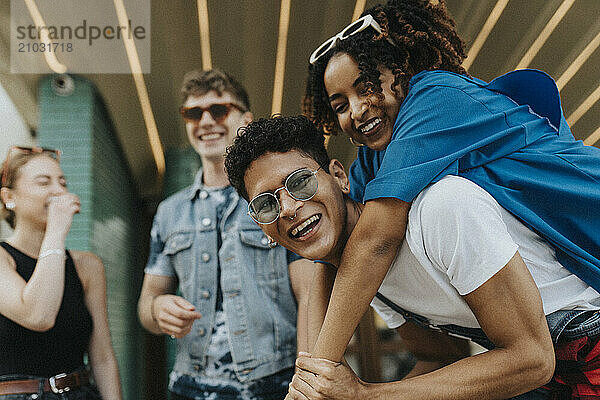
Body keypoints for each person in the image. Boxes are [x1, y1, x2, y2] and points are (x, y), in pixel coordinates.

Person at [301, 0, 600, 385]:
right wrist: (307, 370)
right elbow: (337, 255)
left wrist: (317, 376)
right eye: (340, 105)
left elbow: (375, 239)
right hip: (552, 339)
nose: (357, 111)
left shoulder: (435, 97)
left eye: (367, 86)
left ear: (404, 72)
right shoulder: (374, 161)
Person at [224, 115, 600, 399]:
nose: (288, 208)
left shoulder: (440, 210)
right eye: (266, 204)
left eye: (300, 182)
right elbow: (441, 357)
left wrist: (366, 395)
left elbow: (533, 359)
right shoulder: (358, 277)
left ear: (338, 176)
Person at [137, 69, 313, 400]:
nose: (205, 121)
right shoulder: (169, 212)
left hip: (272, 386)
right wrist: (157, 308)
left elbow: (309, 293)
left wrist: (305, 381)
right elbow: (146, 304)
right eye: (193, 113)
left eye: (219, 110)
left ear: (245, 119)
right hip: (189, 387)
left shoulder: (275, 199)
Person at [0, 146, 122, 399]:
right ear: (8, 197)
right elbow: (38, 315)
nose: (59, 191)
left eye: (62, 182)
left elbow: (102, 357)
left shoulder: (87, 266)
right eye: (44, 182)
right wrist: (56, 231)